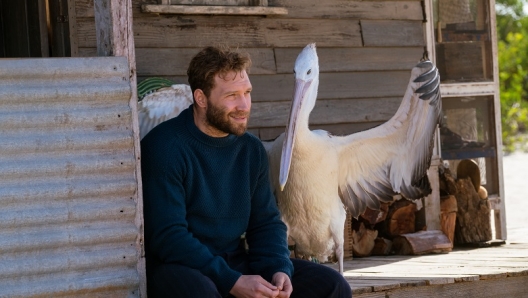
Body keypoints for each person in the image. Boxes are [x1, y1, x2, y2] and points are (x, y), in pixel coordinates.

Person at [141, 45, 352, 298]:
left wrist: (278, 269)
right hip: (181, 267)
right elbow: (169, 237)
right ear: (201, 98)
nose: (244, 105)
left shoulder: (250, 149)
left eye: (247, 92)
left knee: (333, 286)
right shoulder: (165, 147)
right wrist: (232, 281)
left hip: (236, 263)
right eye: (232, 96)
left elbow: (265, 223)